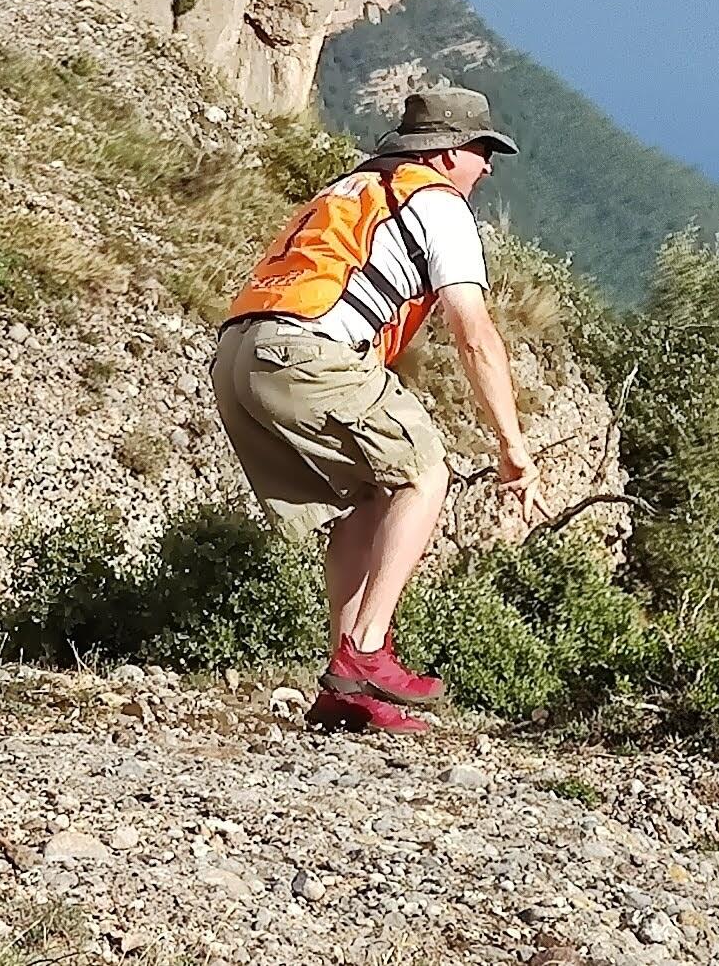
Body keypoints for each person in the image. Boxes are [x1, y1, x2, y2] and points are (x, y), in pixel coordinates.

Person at [210, 86, 540, 731]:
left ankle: (347, 690)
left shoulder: (351, 189)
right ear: (448, 153)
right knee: (425, 474)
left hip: (239, 353)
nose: (488, 167)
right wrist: (512, 446)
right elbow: (473, 331)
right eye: (482, 150)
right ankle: (365, 652)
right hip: (308, 349)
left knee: (368, 496)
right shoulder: (439, 203)